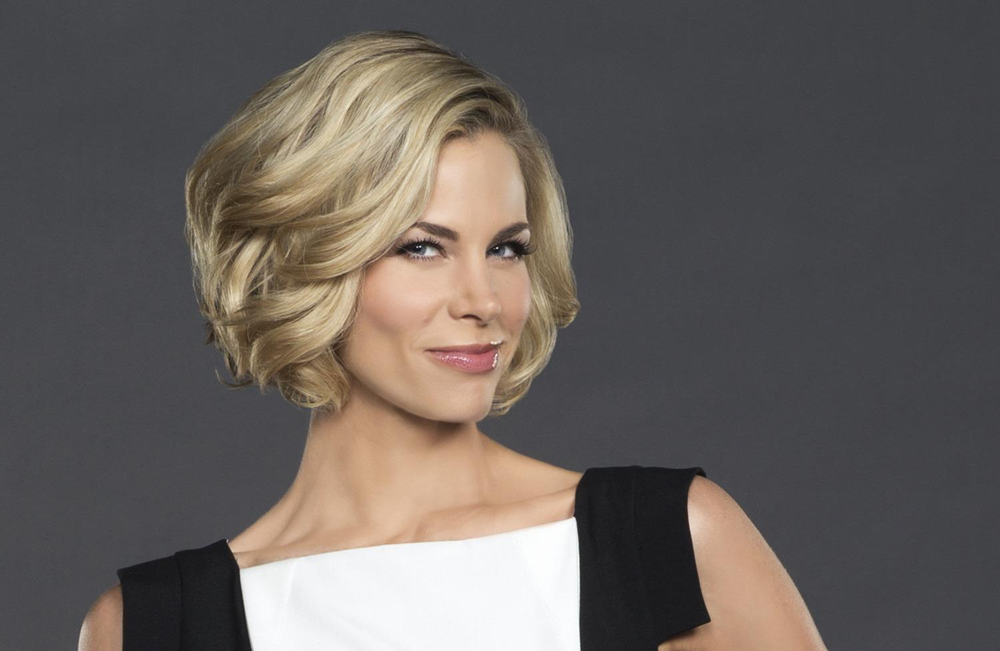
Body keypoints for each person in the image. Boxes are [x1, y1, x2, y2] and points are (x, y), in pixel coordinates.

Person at [78, 29, 828, 651]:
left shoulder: (667, 540)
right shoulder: (152, 628)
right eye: (422, 247)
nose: (484, 301)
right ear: (305, 262)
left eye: (506, 248)